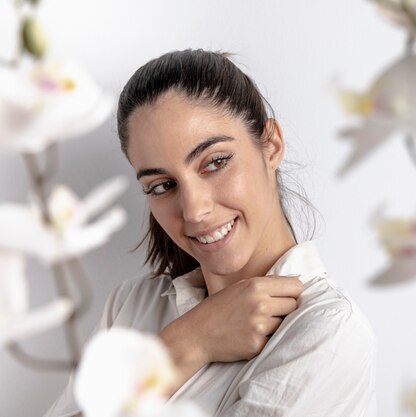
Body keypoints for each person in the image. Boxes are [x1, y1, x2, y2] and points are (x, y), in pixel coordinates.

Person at [44, 49, 376, 417]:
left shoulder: (326, 331)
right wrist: (187, 342)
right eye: (162, 185)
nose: (194, 210)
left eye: (215, 163)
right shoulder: (133, 306)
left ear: (272, 146)